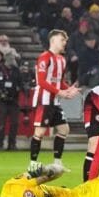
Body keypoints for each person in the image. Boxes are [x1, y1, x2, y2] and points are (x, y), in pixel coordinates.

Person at [30, 30, 80, 167]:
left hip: (55, 100)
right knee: (40, 132)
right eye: (62, 40)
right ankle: (32, 164)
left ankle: (57, 163)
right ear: (53, 41)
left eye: (65, 41)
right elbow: (41, 81)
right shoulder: (45, 57)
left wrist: (68, 89)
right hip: (44, 100)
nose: (64, 43)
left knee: (64, 129)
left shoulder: (62, 60)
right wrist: (60, 92)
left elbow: (59, 81)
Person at [0, 52, 22, 151]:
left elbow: (20, 83)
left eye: (13, 58)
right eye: (11, 58)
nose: (13, 60)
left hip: (13, 100)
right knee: (1, 123)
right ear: (5, 59)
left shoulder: (16, 70)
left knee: (15, 123)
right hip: (2, 100)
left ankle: (12, 144)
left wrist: (18, 89)